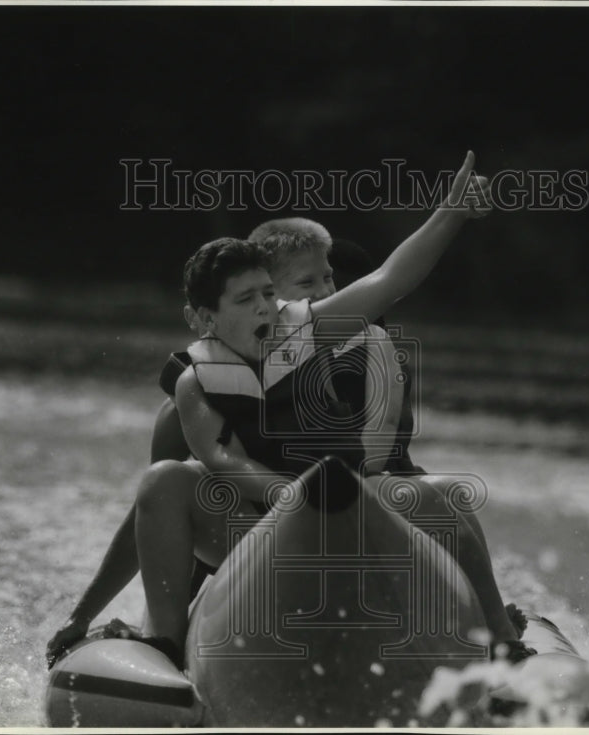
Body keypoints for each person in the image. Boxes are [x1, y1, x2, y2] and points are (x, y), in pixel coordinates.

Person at [47, 152, 522, 668]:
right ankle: (163, 640)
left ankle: (501, 643)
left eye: (269, 295)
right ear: (204, 319)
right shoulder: (193, 385)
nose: (263, 309)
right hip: (259, 534)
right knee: (165, 478)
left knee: (443, 495)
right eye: (246, 299)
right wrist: (83, 613)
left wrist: (449, 214)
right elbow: (216, 467)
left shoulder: (307, 332)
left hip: (351, 513)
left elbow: (389, 279)